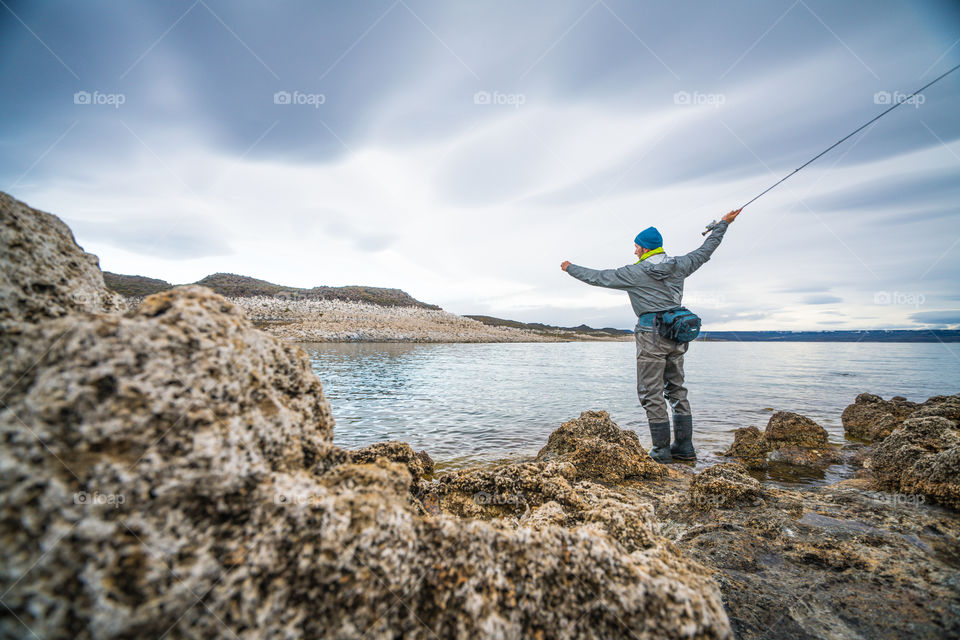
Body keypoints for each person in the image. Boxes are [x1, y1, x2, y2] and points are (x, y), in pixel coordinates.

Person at [560, 208, 741, 463]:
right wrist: (723, 224)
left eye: (636, 247)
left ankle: (660, 452)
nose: (634, 251)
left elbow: (598, 278)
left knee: (650, 392)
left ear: (645, 249)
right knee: (677, 389)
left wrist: (570, 268)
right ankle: (685, 448)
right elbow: (707, 249)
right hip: (678, 335)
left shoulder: (633, 273)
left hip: (650, 336)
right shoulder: (680, 265)